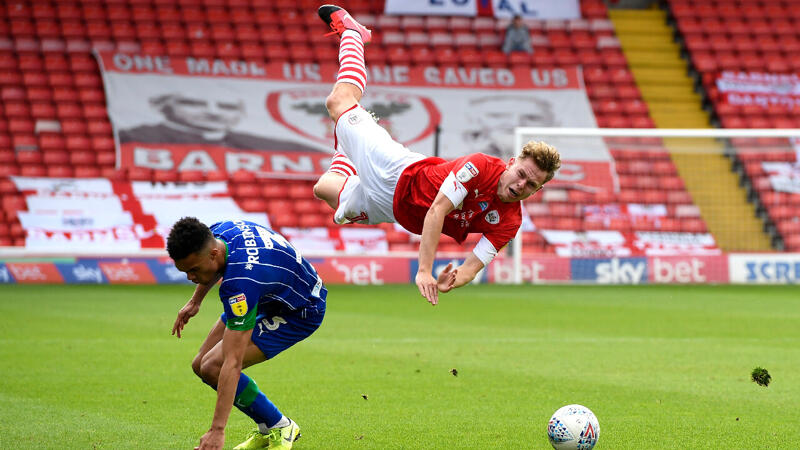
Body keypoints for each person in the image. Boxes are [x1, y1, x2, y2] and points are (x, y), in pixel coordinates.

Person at [313, 5, 562, 305]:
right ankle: (354, 35)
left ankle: (348, 147)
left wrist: (454, 280)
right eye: (522, 174)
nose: (522, 185)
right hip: (396, 173)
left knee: (324, 189)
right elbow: (437, 210)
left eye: (532, 185)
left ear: (538, 190)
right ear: (512, 163)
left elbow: (473, 266)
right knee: (338, 101)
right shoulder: (480, 167)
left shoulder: (510, 221)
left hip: (394, 211)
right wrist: (424, 270)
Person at [167, 217, 326, 450]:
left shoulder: (241, 283)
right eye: (185, 272)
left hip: (301, 309)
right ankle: (267, 427)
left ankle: (280, 426)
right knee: (200, 364)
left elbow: (233, 361)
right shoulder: (218, 232)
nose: (190, 278)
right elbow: (216, 267)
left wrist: (217, 431)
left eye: (193, 270)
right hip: (268, 294)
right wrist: (196, 301)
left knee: (214, 366)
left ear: (212, 254)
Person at [119, 92, 319, 152]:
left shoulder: (283, 147)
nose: (213, 113)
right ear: (161, 106)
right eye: (194, 102)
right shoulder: (131, 137)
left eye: (227, 106)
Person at [462, 95, 558, 158]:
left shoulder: (560, 170)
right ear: (473, 122)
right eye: (498, 115)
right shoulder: (469, 165)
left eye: (532, 117)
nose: (515, 123)